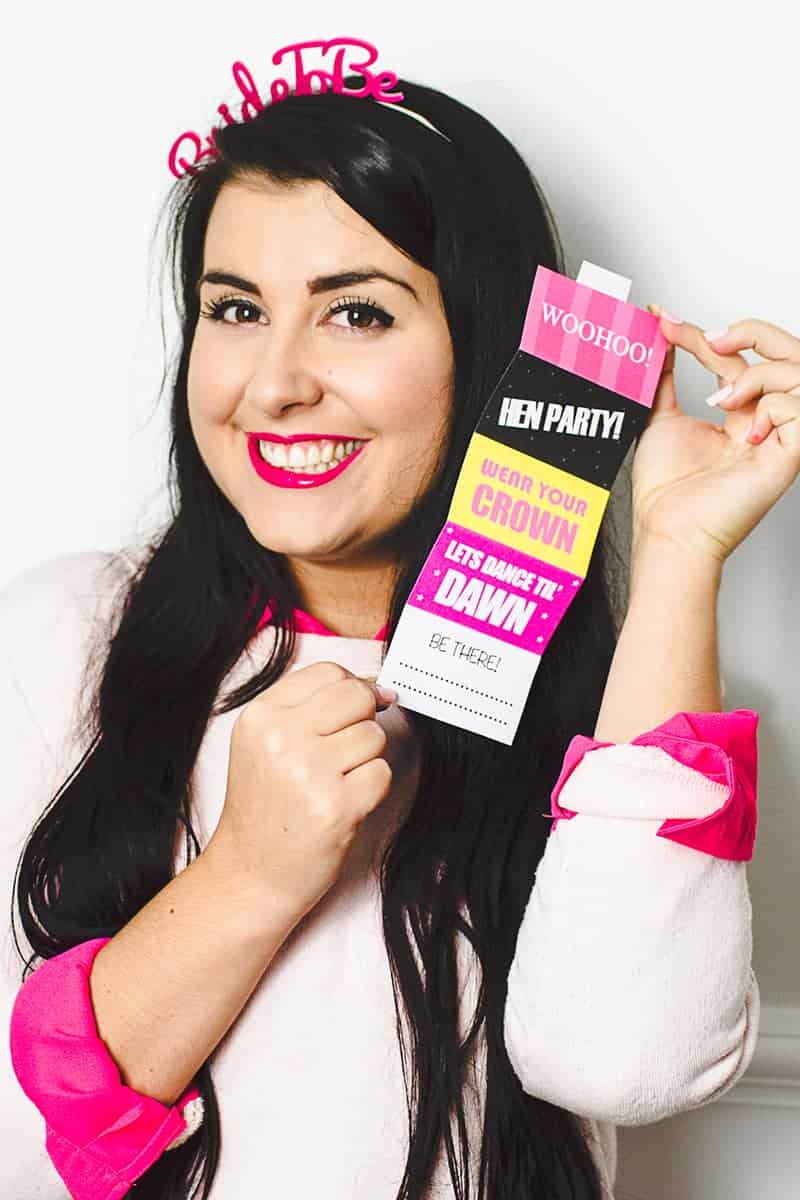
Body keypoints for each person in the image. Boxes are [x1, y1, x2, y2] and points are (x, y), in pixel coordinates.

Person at [2, 59, 799, 1200]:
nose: (275, 384)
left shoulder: (625, 701)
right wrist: (252, 871)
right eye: (236, 310)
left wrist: (679, 551)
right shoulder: (61, 636)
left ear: (490, 349)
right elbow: (25, 1142)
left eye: (356, 312)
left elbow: (624, 1063)